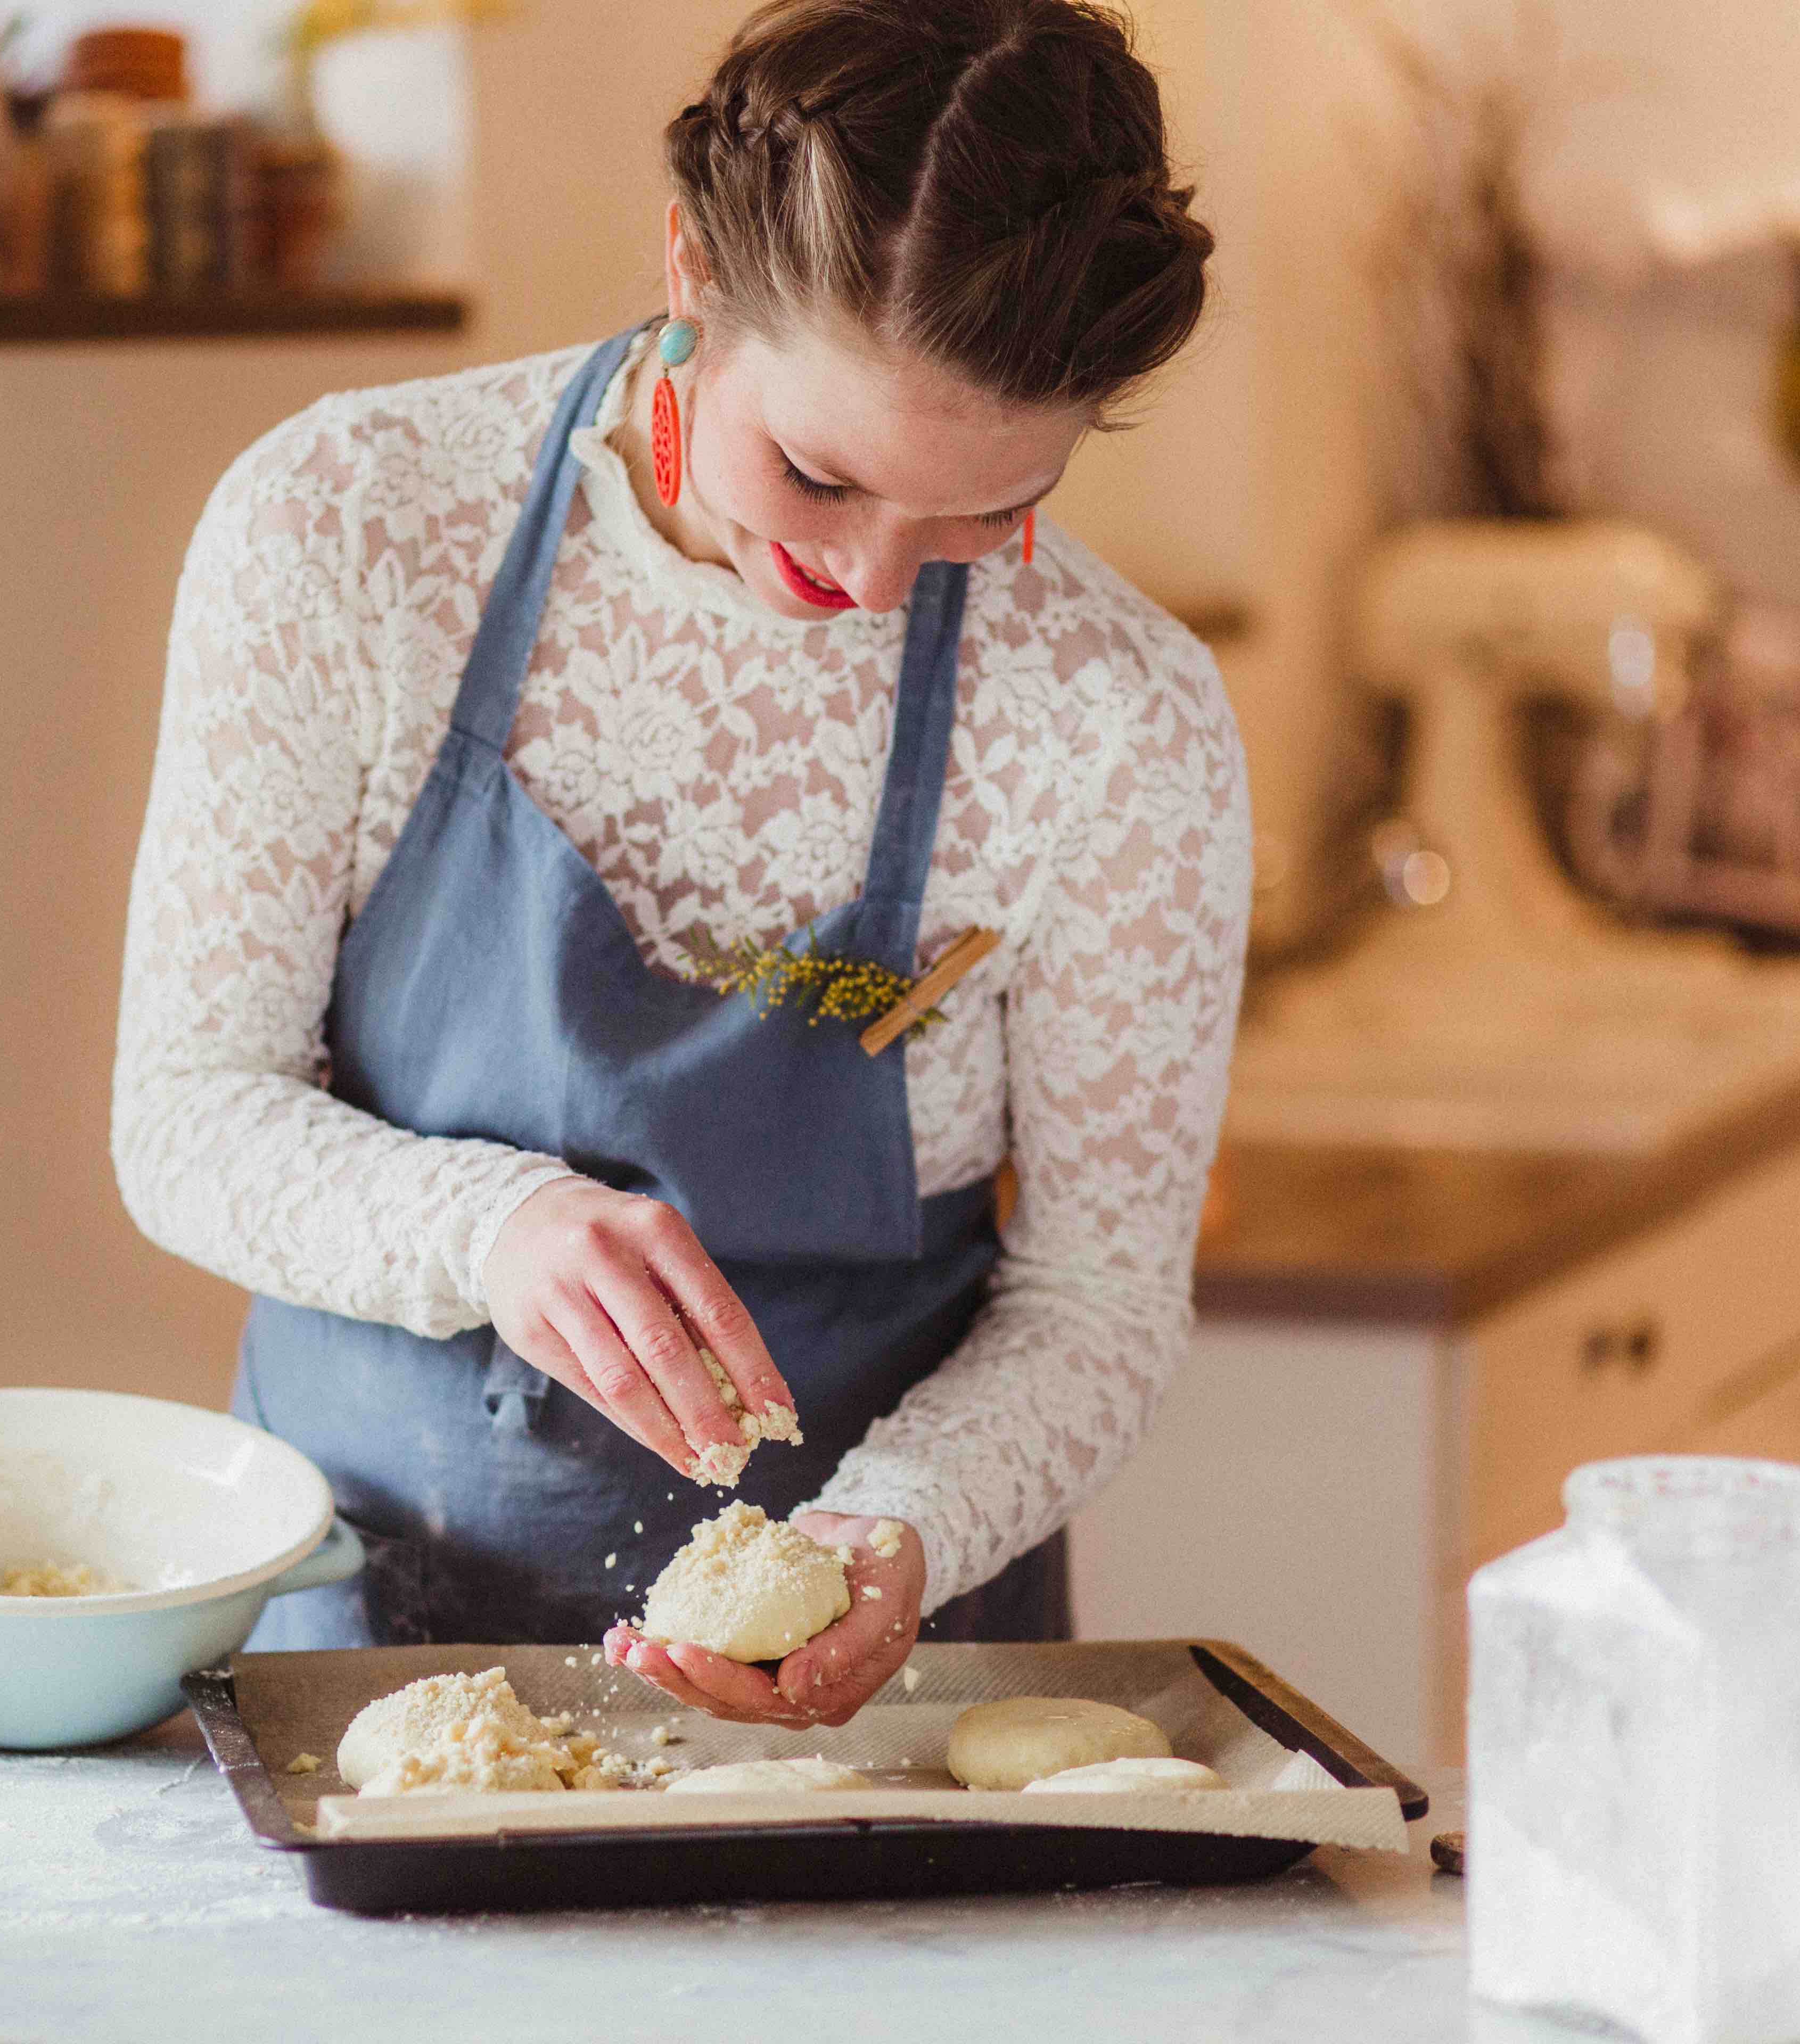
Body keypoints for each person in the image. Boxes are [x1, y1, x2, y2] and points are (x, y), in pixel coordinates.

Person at [114, 0, 1245, 1727]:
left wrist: (899, 1528)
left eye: (984, 516)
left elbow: (1098, 1298)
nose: (875, 585)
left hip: (881, 1702)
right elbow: (186, 1112)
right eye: (816, 474)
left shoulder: (1115, 716)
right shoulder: (348, 527)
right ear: (694, 273)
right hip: (356, 1646)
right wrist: (489, 1223)